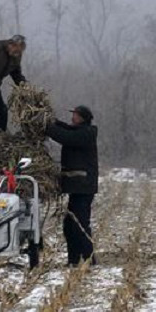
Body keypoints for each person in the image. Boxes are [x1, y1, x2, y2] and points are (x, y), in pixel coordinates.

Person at [44, 106, 98, 266]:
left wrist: (46, 127)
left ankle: (88, 260)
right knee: (69, 225)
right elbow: (66, 129)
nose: (72, 117)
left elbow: (65, 136)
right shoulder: (79, 131)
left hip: (84, 188)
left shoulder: (86, 134)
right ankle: (74, 260)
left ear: (82, 118)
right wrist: (52, 121)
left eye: (75, 114)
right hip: (77, 189)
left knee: (80, 224)